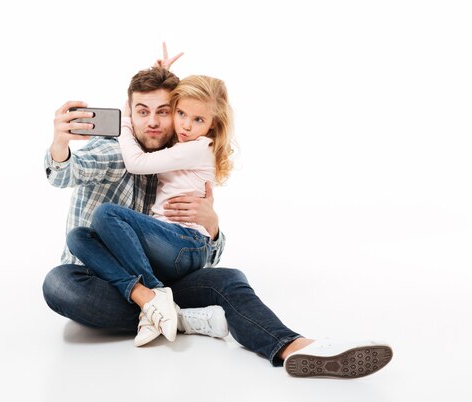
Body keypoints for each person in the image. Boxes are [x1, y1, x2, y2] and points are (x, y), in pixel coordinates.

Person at [42, 45, 393, 378]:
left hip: (164, 276)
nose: (153, 122)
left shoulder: (180, 156)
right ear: (128, 112)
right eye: (142, 111)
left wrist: (212, 227)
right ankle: (178, 315)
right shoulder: (114, 148)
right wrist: (59, 145)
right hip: (100, 283)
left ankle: (294, 347)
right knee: (58, 283)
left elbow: (195, 251)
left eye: (165, 111)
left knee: (228, 279)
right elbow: (70, 171)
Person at [66, 74, 235, 347]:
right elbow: (66, 173)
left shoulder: (194, 147)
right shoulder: (172, 145)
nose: (186, 125)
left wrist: (124, 119)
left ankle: (155, 296)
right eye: (181, 114)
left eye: (198, 120)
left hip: (183, 244)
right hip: (147, 258)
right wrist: (61, 147)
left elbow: (137, 161)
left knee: (106, 215)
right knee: (77, 241)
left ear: (212, 124)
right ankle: (166, 309)